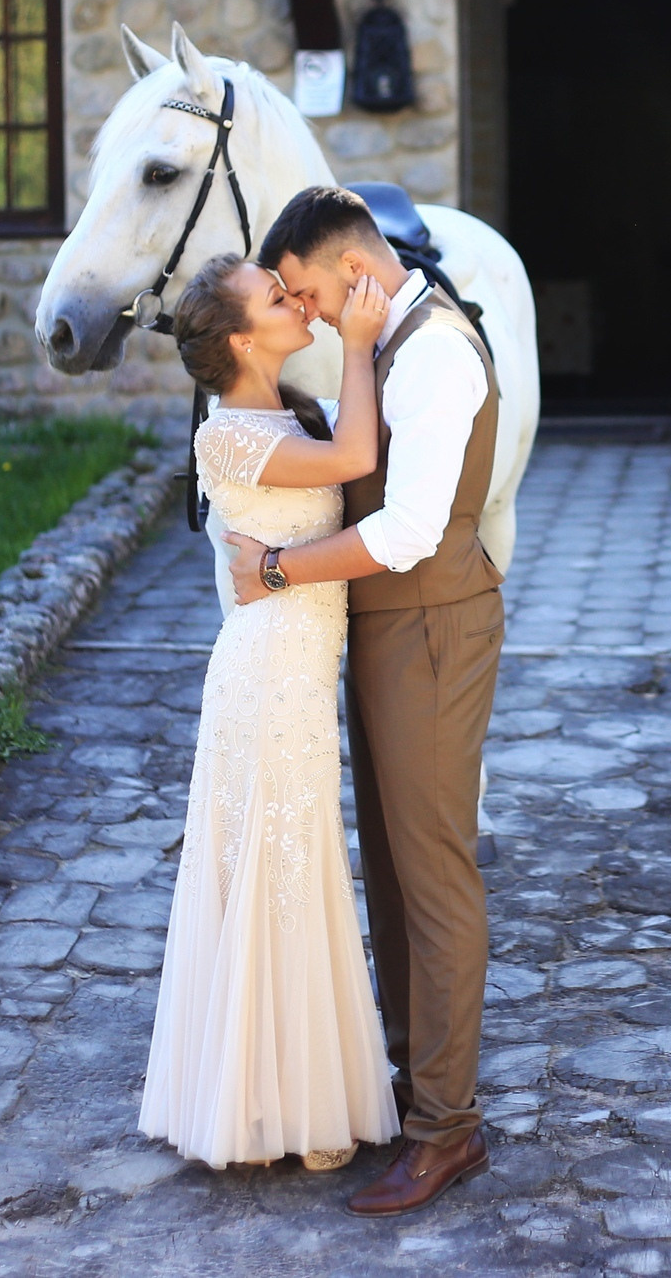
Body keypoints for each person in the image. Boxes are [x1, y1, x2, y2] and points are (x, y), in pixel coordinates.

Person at [224, 185, 504, 1218]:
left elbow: (405, 533)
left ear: (353, 274)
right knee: (389, 863)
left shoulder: (433, 354)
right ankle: (411, 1081)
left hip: (430, 623)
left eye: (302, 291)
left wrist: (283, 571)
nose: (300, 312)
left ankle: (448, 1129)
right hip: (387, 630)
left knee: (431, 870)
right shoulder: (388, 335)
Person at [138, 251, 401, 1173]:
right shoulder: (228, 437)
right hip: (267, 679)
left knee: (295, 863)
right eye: (276, 296)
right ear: (246, 340)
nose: (296, 300)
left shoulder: (275, 412)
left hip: (295, 671)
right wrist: (360, 343)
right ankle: (270, 1105)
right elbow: (358, 460)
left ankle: (275, 1092)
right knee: (283, 867)